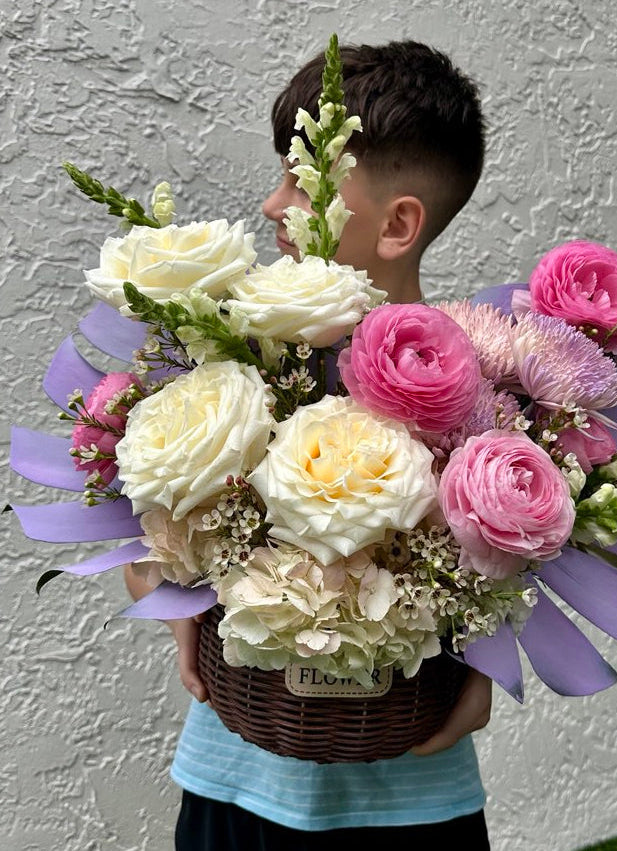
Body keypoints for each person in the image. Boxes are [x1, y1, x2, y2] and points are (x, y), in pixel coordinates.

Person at [124, 40, 493, 851]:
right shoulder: (229, 362)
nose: (270, 202)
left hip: (412, 789)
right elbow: (138, 527)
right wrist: (171, 586)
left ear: (397, 224)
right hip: (238, 772)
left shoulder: (481, 389)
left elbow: (511, 551)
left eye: (301, 177)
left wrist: (493, 660)